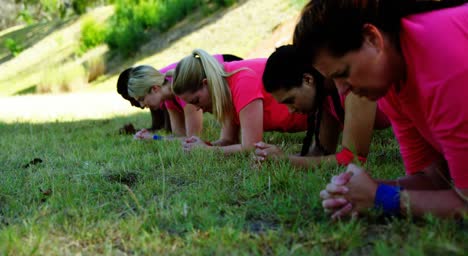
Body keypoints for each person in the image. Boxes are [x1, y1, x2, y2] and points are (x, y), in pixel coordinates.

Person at [293, 0, 468, 219]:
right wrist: (358, 192)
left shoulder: (443, 58)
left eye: (343, 73)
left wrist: (380, 198)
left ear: (372, 39)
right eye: (334, 80)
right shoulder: (390, 81)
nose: (342, 91)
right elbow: (432, 179)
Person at [254, 45, 390, 168]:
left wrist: (286, 160)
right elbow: (321, 153)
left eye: (291, 100)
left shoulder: (351, 85)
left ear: (308, 79)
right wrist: (273, 158)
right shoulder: (325, 96)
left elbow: (353, 158)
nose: (290, 110)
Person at [171, 49, 309, 154]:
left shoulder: (241, 81)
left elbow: (251, 147)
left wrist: (207, 151)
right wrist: (204, 145)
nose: (197, 109)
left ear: (206, 83)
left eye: (196, 100)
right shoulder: (223, 87)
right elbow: (229, 140)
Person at [117, 54, 243, 138]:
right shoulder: (167, 95)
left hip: (237, 71)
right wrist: (154, 137)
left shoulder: (183, 89)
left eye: (141, 99)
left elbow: (193, 137)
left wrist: (154, 138)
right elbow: (180, 136)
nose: (142, 105)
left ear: (155, 88)